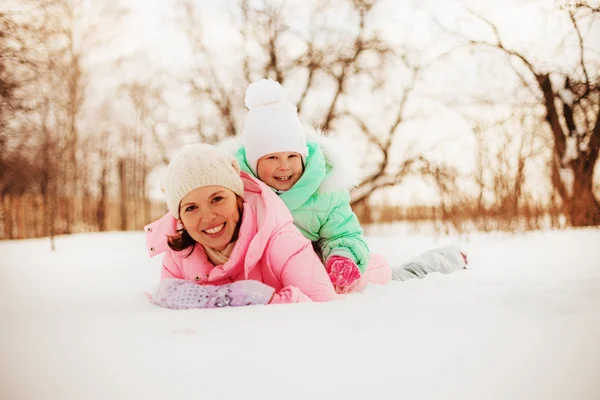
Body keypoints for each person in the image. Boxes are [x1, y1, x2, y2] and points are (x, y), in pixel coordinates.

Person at [144, 143, 391, 309]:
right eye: (191, 208)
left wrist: (267, 299)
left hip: (341, 275)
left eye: (217, 199)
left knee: (377, 271)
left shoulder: (280, 240)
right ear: (179, 218)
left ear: (238, 198)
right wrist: (216, 297)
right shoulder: (179, 254)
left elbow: (321, 306)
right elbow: (167, 294)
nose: (207, 217)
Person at [219, 78, 385, 293]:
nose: (284, 166)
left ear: (303, 156)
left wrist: (341, 257)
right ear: (253, 163)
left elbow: (343, 233)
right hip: (264, 273)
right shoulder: (239, 193)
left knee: (376, 266)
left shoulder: (326, 192)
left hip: (316, 268)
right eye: (272, 158)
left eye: (292, 156)